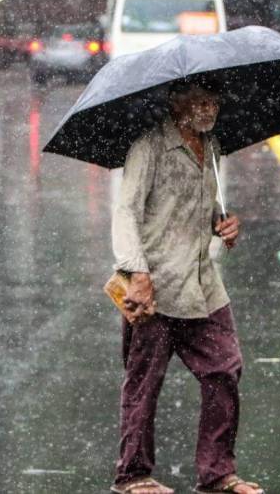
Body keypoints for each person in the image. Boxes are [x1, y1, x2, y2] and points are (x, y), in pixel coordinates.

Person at [110, 81, 263, 494]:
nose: (208, 108)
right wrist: (135, 272)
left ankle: (217, 474)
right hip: (155, 286)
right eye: (199, 100)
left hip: (202, 285)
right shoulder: (150, 147)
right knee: (144, 382)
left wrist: (222, 223)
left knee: (225, 369)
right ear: (175, 101)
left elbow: (199, 207)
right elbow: (126, 212)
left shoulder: (212, 147)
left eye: (213, 100)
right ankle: (133, 476)